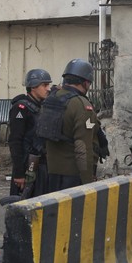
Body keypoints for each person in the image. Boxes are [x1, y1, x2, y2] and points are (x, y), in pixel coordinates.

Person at [43, 59, 101, 191]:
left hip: (52, 172)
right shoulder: (81, 104)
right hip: (73, 175)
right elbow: (82, 147)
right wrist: (88, 182)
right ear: (86, 82)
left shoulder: (51, 98)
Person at [8, 69, 52, 198]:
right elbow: (15, 141)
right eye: (44, 85)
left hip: (42, 166)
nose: (48, 89)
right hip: (27, 166)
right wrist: (19, 173)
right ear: (33, 86)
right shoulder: (21, 108)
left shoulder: (42, 107)